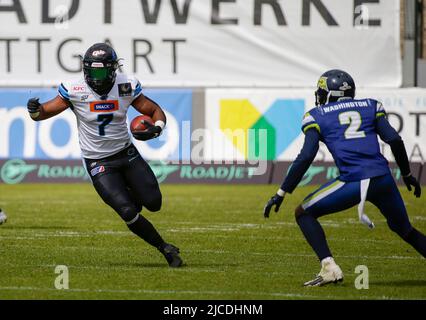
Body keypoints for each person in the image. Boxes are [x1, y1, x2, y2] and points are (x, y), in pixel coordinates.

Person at [263, 69, 425, 286]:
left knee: (303, 213)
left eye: (322, 92)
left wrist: (281, 192)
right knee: (405, 229)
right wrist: (406, 174)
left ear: (329, 93)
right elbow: (394, 139)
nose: (319, 96)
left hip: (354, 180)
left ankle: (329, 268)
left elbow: (306, 157)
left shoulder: (316, 115)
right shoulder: (370, 106)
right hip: (383, 178)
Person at [27, 43, 183, 267]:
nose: (95, 77)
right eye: (91, 71)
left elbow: (153, 110)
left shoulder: (125, 85)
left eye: (100, 71)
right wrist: (34, 109)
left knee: (154, 203)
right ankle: (164, 247)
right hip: (98, 161)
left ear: (112, 70)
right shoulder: (74, 89)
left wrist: (157, 128)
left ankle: (129, 189)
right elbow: (42, 113)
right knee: (127, 210)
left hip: (126, 153)